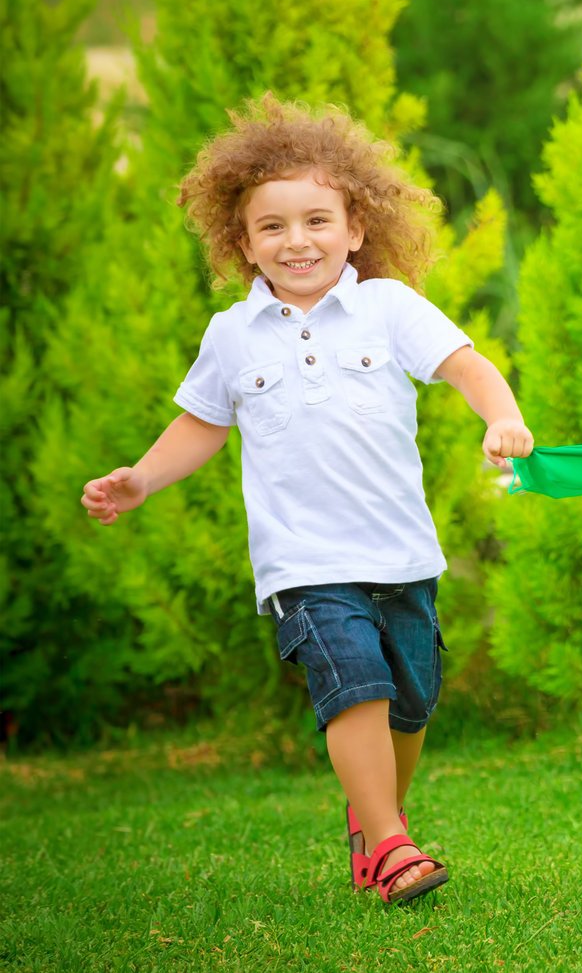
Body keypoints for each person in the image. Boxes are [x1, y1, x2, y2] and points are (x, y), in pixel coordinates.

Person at [81, 95, 533, 905]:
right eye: (274, 227)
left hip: (401, 552)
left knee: (411, 697)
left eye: (318, 220)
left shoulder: (388, 308)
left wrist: (501, 416)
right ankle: (392, 845)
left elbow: (466, 364)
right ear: (243, 243)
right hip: (305, 561)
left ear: (356, 228)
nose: (298, 241)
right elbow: (202, 424)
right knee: (353, 681)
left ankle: (372, 819)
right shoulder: (233, 334)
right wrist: (141, 478)